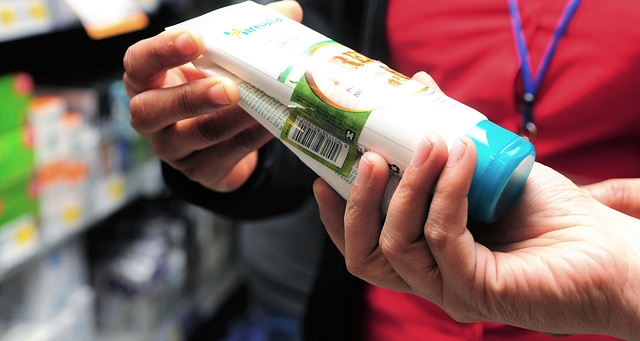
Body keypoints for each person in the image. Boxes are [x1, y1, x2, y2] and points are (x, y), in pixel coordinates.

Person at [122, 0, 640, 340]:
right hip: (395, 308)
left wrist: (622, 282)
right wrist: (238, 154)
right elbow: (329, 94)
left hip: (606, 298)